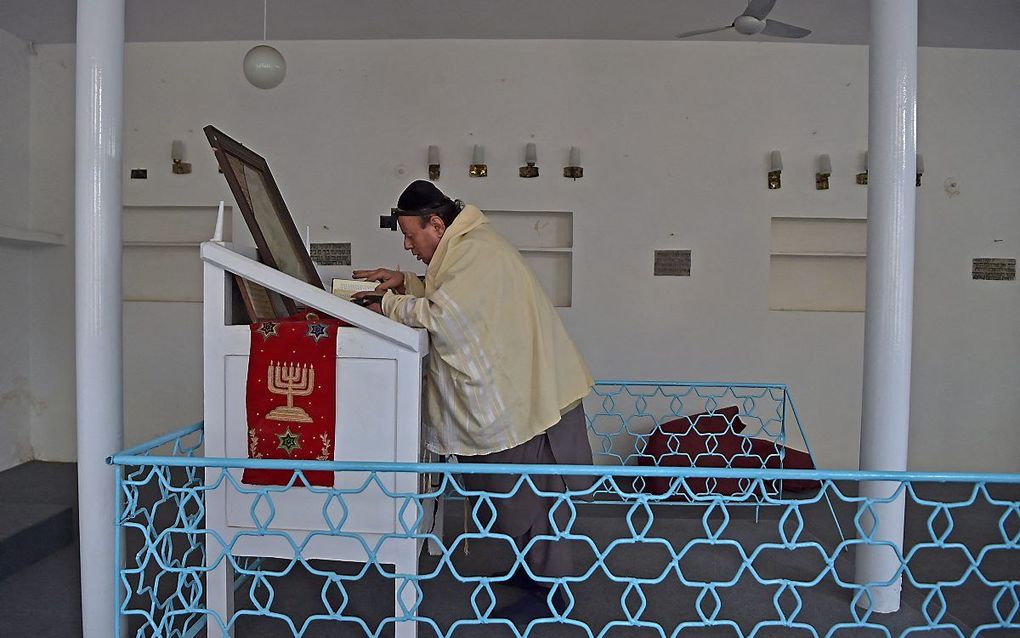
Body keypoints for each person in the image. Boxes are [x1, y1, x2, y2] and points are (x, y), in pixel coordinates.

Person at [353, 180, 593, 624]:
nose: (408, 246)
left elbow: (448, 317)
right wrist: (406, 282)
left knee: (537, 498)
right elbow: (450, 294)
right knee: (519, 497)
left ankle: (553, 594)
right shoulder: (465, 249)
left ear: (437, 224)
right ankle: (535, 574)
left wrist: (388, 305)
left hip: (530, 400)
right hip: (527, 392)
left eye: (411, 235)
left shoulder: (476, 252)